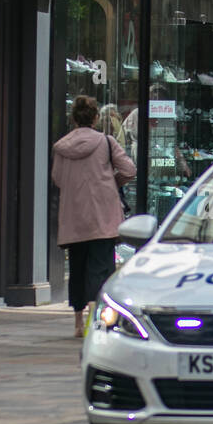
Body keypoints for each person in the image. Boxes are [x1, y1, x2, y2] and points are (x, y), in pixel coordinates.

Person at [52, 95, 137, 338]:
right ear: (96, 118)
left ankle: (78, 322)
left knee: (77, 269)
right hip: (102, 216)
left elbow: (58, 178)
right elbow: (129, 170)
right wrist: (111, 182)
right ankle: (96, 321)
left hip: (74, 216)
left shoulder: (61, 147)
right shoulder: (106, 142)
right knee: (100, 270)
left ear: (73, 118)